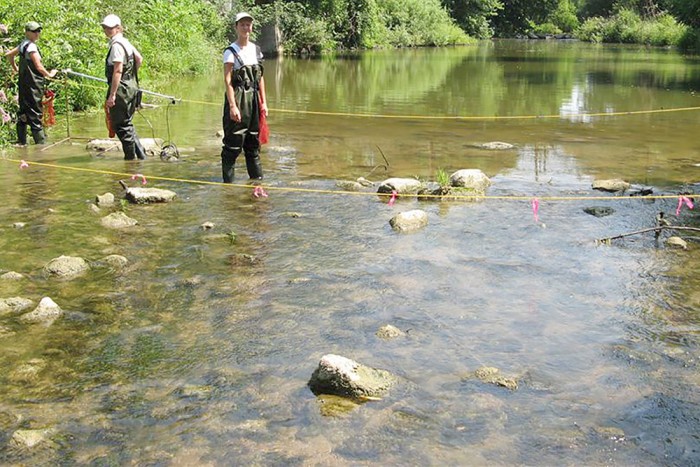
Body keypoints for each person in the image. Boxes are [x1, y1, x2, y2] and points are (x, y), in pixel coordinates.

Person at [221, 12, 268, 182]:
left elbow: (260, 78)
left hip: (254, 100)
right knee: (233, 144)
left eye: (248, 24)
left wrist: (264, 103)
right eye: (242, 24)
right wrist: (233, 106)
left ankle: (257, 182)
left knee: (253, 143)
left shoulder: (256, 50)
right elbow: (227, 81)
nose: (246, 28)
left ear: (252, 27)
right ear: (236, 27)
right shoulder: (230, 51)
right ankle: (228, 186)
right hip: (239, 98)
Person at [101, 14, 146, 160]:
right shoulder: (125, 42)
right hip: (132, 86)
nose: (107, 30)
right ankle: (141, 156)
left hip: (121, 89)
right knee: (127, 123)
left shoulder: (116, 46)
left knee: (120, 125)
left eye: (110, 27)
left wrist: (112, 94)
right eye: (105, 27)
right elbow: (139, 59)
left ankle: (130, 161)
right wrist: (131, 77)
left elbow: (118, 70)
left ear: (118, 28)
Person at [5, 21, 58, 145]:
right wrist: (50, 74)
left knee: (23, 112)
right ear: (27, 32)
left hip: (24, 85)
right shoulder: (32, 47)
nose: (37, 34)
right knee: (35, 114)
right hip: (33, 86)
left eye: (38, 31)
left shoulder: (23, 44)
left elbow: (9, 55)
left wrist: (15, 68)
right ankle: (41, 146)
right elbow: (38, 67)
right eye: (34, 31)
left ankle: (21, 143)